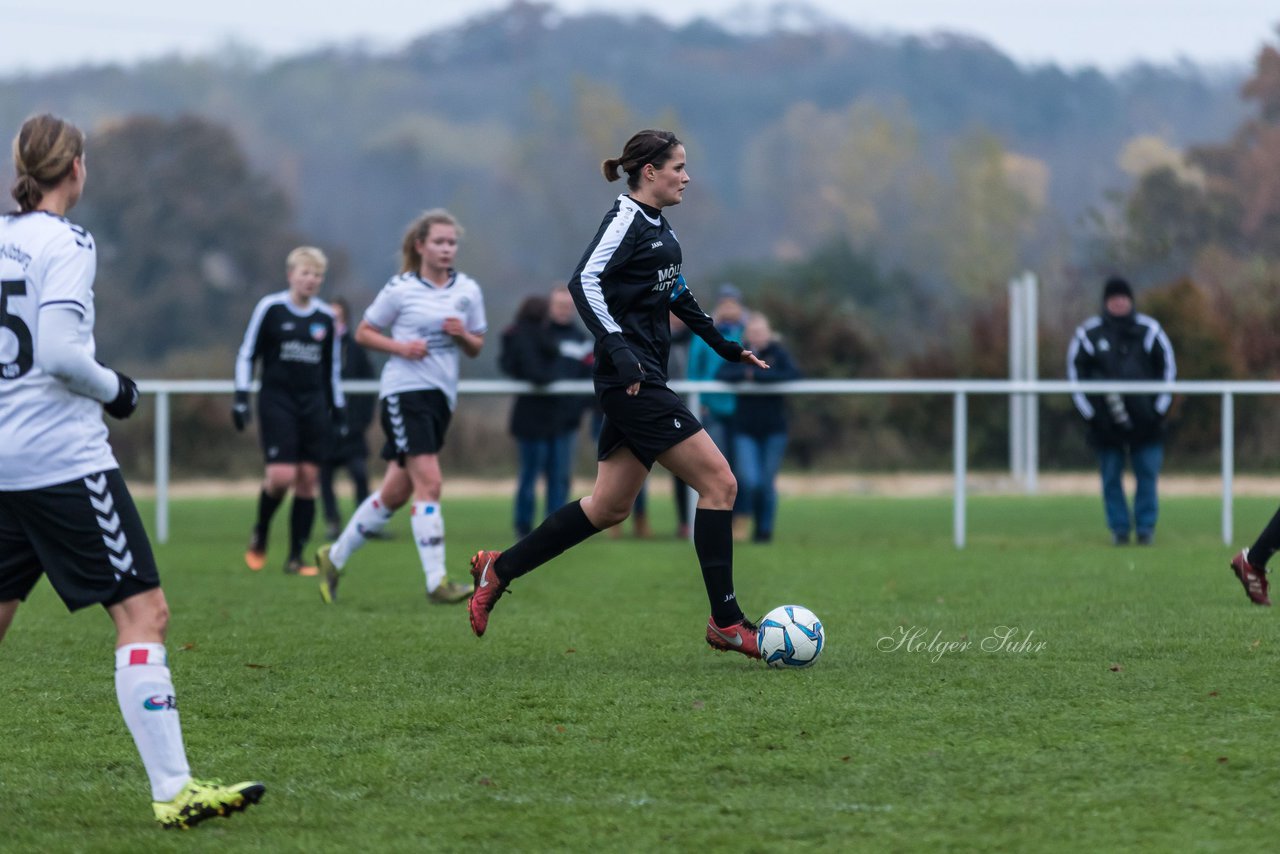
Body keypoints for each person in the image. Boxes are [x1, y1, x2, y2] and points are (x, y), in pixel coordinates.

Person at [0, 113, 263, 829]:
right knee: (143, 613)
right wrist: (118, 389)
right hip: (61, 461)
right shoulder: (68, 242)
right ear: (76, 167)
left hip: (2, 462)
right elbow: (57, 352)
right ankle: (175, 791)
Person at [466, 128, 771, 660]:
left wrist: (724, 345)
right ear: (649, 171)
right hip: (632, 382)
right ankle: (726, 621)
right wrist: (620, 347)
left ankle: (500, 567)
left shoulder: (658, 224)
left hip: (641, 376)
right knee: (720, 483)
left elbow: (675, 290)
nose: (687, 176)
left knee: (608, 508)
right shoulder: (626, 219)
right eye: (678, 166)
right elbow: (583, 281)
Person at [315, 209, 485, 605]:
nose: (447, 249)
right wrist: (401, 347)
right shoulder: (400, 289)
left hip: (440, 397)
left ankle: (333, 557)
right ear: (420, 246)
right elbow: (364, 332)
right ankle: (436, 581)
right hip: (404, 392)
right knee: (431, 482)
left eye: (452, 242)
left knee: (395, 492)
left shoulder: (468, 291)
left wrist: (462, 335)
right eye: (439, 242)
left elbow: (476, 347)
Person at [233, 246, 346, 576]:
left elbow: (332, 369)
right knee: (281, 477)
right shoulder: (271, 308)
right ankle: (262, 528)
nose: (311, 280)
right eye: (305, 273)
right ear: (291, 275)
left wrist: (338, 410)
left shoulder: (325, 317)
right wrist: (241, 396)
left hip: (313, 404)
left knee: (309, 479)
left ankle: (296, 557)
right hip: (276, 401)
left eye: (317, 275)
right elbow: (246, 354)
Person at [1067, 276, 1176, 546]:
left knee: (1147, 475)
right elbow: (1075, 375)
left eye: (1122, 297)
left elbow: (1169, 371)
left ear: (1130, 300)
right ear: (1106, 302)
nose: (1118, 302)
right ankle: (1119, 529)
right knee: (1110, 477)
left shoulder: (1149, 330)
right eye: (1113, 298)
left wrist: (1157, 411)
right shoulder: (1088, 334)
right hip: (1105, 425)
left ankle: (1145, 528)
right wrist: (1092, 415)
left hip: (1146, 423)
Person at [499, 286, 593, 538]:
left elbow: (589, 380)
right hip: (533, 417)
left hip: (566, 421)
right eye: (558, 305)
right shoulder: (531, 333)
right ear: (549, 307)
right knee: (529, 476)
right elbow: (514, 363)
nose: (563, 310)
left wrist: (576, 408)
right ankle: (523, 527)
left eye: (567, 305)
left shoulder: (582, 340)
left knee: (560, 477)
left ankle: (554, 530)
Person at [717, 313, 801, 543]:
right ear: (747, 335)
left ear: (768, 333)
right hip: (745, 429)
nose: (757, 336)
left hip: (774, 430)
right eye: (753, 332)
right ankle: (749, 521)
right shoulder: (740, 352)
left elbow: (792, 374)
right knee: (750, 480)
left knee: (766, 483)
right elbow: (723, 373)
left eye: (761, 332)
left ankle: (764, 531)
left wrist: (757, 375)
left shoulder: (779, 353)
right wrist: (746, 372)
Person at [318, 296, 378, 541]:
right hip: (325, 429)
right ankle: (333, 522)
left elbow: (368, 386)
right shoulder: (317, 347)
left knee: (360, 474)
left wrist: (361, 421)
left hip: (352, 429)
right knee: (324, 478)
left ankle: (365, 524)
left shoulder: (354, 349)